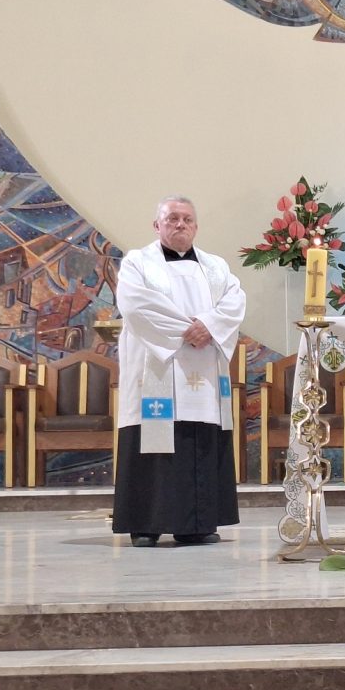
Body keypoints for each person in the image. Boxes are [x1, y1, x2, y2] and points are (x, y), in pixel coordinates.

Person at [112, 196, 246, 547]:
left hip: (202, 371)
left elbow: (235, 302)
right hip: (156, 367)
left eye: (187, 219)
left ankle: (197, 524)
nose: (180, 224)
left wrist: (209, 325)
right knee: (153, 443)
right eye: (172, 218)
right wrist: (190, 330)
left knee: (198, 439)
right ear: (157, 225)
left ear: (196, 227)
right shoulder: (138, 262)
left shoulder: (216, 267)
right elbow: (135, 305)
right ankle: (146, 525)